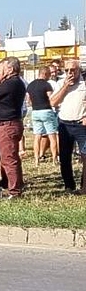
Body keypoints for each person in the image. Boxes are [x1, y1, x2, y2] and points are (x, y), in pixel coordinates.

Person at [0, 57, 26, 199]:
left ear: (9, 68)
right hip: (9, 124)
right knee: (11, 157)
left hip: (7, 125)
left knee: (8, 159)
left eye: (0, 68)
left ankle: (14, 191)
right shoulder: (17, 82)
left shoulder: (10, 83)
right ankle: (17, 186)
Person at [51, 58, 86, 193]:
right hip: (64, 123)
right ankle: (69, 186)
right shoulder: (60, 83)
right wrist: (65, 87)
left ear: (79, 70)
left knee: (84, 157)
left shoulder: (84, 84)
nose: (70, 73)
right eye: (67, 70)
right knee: (65, 157)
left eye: (73, 70)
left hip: (80, 125)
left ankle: (84, 187)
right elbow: (53, 102)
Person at [27, 66, 58, 165]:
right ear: (44, 74)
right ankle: (54, 159)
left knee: (37, 136)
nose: (50, 76)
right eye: (49, 74)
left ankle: (36, 160)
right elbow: (51, 98)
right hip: (46, 111)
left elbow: (29, 100)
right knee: (52, 135)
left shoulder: (30, 85)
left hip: (35, 112)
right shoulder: (47, 85)